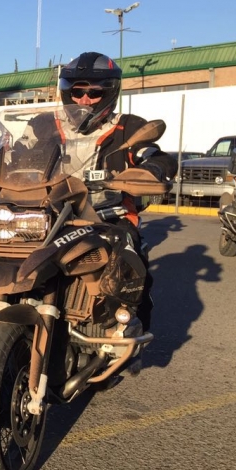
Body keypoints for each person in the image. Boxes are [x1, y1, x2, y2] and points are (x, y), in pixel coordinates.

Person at [30, 51, 177, 331]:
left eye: (94, 93)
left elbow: (157, 155)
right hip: (51, 214)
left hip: (108, 216)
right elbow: (15, 155)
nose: (84, 100)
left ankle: (130, 326)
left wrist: (153, 169)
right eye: (77, 92)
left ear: (109, 92)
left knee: (131, 265)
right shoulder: (43, 125)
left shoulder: (129, 127)